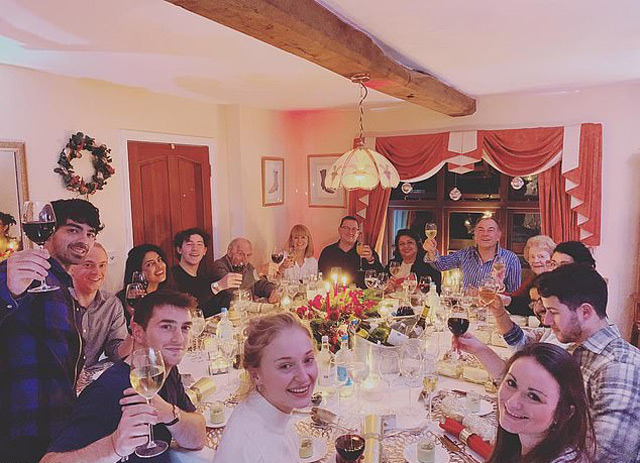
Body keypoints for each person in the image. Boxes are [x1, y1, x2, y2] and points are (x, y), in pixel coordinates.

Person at [41, 290, 206, 463]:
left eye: (185, 328)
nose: (179, 338)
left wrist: (171, 414)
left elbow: (198, 439)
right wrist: (113, 446)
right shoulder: (108, 391)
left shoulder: (165, 373)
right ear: (138, 332)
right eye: (166, 327)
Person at [0, 198, 103, 462]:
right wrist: (8, 290)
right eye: (73, 230)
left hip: (55, 420)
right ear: (49, 231)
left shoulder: (64, 284)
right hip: (23, 427)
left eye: (90, 233)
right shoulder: (23, 272)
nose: (83, 240)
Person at [535, 264, 640, 463]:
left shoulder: (620, 365)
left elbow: (607, 456)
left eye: (553, 312)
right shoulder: (578, 351)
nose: (547, 320)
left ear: (585, 312)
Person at [213, 312, 318, 463]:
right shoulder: (261, 450)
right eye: (286, 366)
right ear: (255, 375)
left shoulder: (267, 408)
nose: (303, 377)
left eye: (308, 360)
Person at [488, 343, 594, 463]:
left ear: (565, 413)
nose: (512, 402)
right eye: (511, 383)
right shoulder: (518, 444)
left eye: (533, 397)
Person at [69, 242, 132, 367]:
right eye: (88, 265)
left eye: (102, 265)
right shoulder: (57, 302)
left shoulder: (112, 305)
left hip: (92, 376)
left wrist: (133, 332)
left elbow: (116, 353)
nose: (97, 272)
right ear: (71, 269)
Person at [423, 216, 522, 292]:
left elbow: (515, 295)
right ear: (475, 235)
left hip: (495, 310)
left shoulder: (511, 259)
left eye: (490, 230)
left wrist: (500, 288)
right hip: (467, 308)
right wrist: (431, 251)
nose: (485, 234)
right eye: (481, 230)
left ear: (498, 236)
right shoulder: (465, 254)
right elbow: (441, 264)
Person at [171, 228, 242, 317]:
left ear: (205, 251)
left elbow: (217, 307)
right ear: (179, 249)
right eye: (189, 244)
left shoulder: (204, 278)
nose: (195, 249)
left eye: (199, 244)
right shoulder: (171, 277)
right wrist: (218, 286)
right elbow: (188, 304)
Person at [210, 237, 280, 308]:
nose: (245, 259)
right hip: (225, 312)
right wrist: (258, 272)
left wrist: (273, 291)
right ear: (229, 252)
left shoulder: (247, 266)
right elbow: (235, 291)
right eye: (241, 254)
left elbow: (261, 284)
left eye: (248, 255)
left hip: (245, 310)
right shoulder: (218, 266)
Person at [317, 215, 383, 288]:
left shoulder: (367, 251)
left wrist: (370, 260)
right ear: (339, 230)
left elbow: (380, 276)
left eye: (354, 229)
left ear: (358, 233)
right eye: (346, 228)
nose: (350, 232)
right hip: (335, 293)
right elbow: (320, 277)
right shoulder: (327, 252)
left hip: (361, 294)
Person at [116, 244, 171, 328]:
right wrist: (132, 313)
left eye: (159, 260)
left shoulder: (171, 294)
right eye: (150, 264)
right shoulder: (123, 301)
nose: (159, 266)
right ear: (138, 272)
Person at [502, 235, 556, 316]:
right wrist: (500, 284)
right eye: (532, 257)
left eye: (541, 256)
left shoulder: (555, 281)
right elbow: (517, 299)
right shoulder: (533, 279)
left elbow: (540, 310)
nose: (536, 260)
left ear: (551, 259)